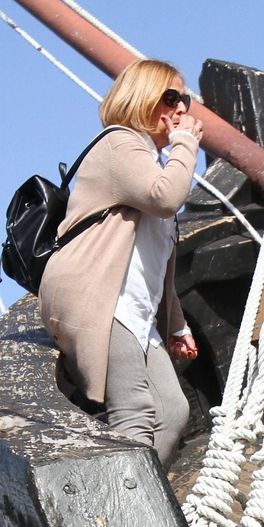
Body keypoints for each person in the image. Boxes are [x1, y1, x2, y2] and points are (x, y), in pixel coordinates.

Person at [40, 58, 202, 468]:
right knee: (134, 412)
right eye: (171, 97)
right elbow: (165, 198)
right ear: (141, 97)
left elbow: (153, 259)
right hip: (102, 302)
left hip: (134, 309)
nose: (182, 109)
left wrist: (176, 321)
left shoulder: (147, 159)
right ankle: (124, 525)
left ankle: (147, 508)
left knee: (172, 412)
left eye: (186, 99)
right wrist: (185, 146)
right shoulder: (119, 144)